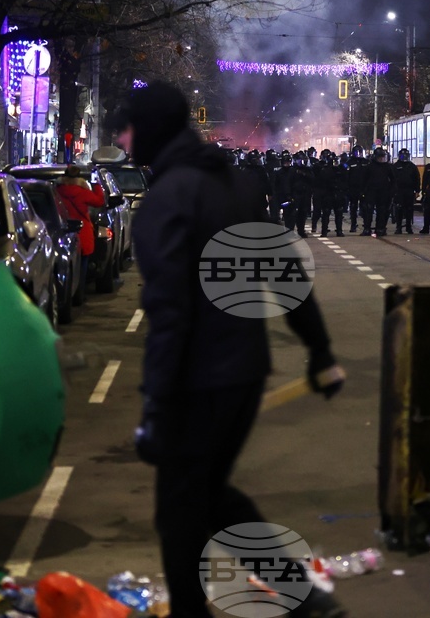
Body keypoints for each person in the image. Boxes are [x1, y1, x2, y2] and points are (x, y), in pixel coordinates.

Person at [110, 81, 347, 618]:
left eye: (127, 129)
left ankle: (291, 601)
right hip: (242, 373)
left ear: (151, 131)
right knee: (208, 497)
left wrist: (154, 405)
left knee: (179, 512)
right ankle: (305, 598)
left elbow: (169, 314)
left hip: (199, 381)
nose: (122, 141)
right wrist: (319, 350)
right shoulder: (236, 185)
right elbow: (283, 270)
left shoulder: (165, 201)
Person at [56, 164, 106, 303]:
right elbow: (99, 201)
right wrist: (96, 185)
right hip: (81, 232)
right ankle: (79, 293)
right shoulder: (82, 192)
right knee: (82, 265)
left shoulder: (56, 191)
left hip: (62, 231)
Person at [362, 147, 396, 236]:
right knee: (368, 211)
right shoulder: (370, 166)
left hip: (383, 192)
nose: (381, 159)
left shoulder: (388, 167)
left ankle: (380, 228)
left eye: (383, 157)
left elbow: (393, 180)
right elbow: (364, 180)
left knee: (382, 211)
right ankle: (367, 228)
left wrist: (391, 191)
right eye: (379, 157)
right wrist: (364, 191)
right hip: (371, 192)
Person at [392, 148, 421, 234]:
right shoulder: (395, 166)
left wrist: (417, 191)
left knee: (409, 209)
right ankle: (399, 227)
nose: (404, 157)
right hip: (399, 191)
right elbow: (392, 179)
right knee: (399, 209)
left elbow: (417, 179)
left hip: (409, 191)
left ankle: (408, 227)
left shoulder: (412, 166)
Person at [346, 146, 367, 233]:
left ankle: (366, 225)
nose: (358, 154)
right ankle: (353, 225)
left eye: (360, 152)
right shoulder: (349, 162)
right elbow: (345, 174)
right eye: (356, 152)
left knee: (365, 208)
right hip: (353, 188)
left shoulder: (366, 162)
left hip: (364, 188)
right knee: (353, 207)